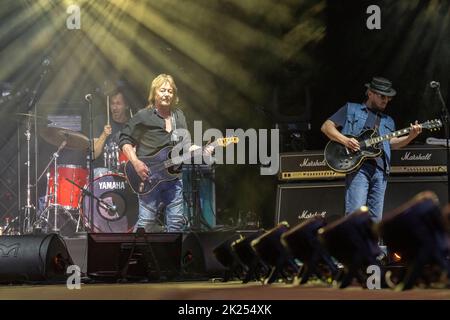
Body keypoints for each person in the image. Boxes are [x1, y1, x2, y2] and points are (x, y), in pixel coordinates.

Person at [321, 77, 422, 222]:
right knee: (355, 214)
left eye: (388, 98)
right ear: (370, 94)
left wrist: (410, 137)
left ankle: (372, 245)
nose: (385, 100)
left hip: (381, 171)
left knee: (376, 219)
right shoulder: (351, 108)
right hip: (359, 167)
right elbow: (326, 127)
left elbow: (391, 143)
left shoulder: (388, 120)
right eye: (382, 96)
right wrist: (346, 141)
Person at [119, 74, 212, 232]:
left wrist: (202, 151)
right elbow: (124, 139)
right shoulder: (143, 116)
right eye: (162, 90)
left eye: (170, 91)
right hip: (149, 177)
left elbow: (186, 145)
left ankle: (170, 256)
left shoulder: (179, 116)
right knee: (146, 223)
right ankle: (133, 254)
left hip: (174, 178)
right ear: (154, 93)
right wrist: (136, 163)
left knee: (176, 224)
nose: (166, 94)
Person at [93, 87, 132, 173]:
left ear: (126, 106)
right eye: (112, 104)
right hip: (103, 171)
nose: (114, 107)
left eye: (118, 104)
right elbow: (93, 154)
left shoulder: (131, 125)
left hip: (127, 171)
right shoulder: (99, 121)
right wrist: (104, 135)